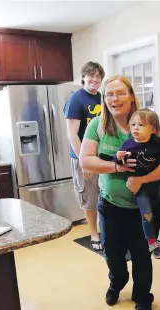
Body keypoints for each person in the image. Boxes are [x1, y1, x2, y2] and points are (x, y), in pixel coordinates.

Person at [79, 75, 160, 310]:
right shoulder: (97, 126)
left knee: (142, 257)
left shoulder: (147, 121)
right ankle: (117, 282)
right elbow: (86, 161)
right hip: (110, 206)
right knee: (113, 256)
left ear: (131, 96)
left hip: (144, 208)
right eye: (109, 94)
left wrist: (142, 179)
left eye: (120, 93)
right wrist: (116, 167)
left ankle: (143, 297)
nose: (114, 99)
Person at [114, 108, 160, 259]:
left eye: (141, 125)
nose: (135, 128)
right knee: (146, 214)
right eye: (133, 125)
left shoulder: (158, 142)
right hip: (141, 189)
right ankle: (152, 243)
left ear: (153, 128)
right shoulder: (128, 144)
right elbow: (118, 160)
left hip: (158, 184)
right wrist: (118, 156)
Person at [64, 61, 104, 250]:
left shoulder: (101, 98)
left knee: (104, 194)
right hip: (82, 157)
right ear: (83, 77)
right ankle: (94, 234)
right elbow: (72, 133)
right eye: (91, 76)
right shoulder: (77, 99)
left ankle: (105, 231)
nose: (94, 80)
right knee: (89, 197)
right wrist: (84, 161)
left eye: (98, 76)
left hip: (100, 156)